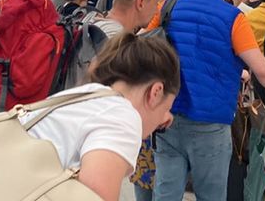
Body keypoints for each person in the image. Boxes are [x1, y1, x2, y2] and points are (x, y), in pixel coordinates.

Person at [149, 0, 265, 201]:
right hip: (210, 122)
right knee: (211, 194)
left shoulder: (168, 6)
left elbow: (141, 40)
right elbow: (262, 70)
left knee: (165, 192)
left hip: (166, 115)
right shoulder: (233, 17)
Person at [21, 33, 179, 201]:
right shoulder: (123, 117)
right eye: (166, 108)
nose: (165, 119)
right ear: (156, 92)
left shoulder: (87, 95)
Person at [133, 0, 186, 201]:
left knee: (142, 168)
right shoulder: (177, 10)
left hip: (140, 98)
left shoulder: (145, 8)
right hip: (165, 102)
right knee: (165, 172)